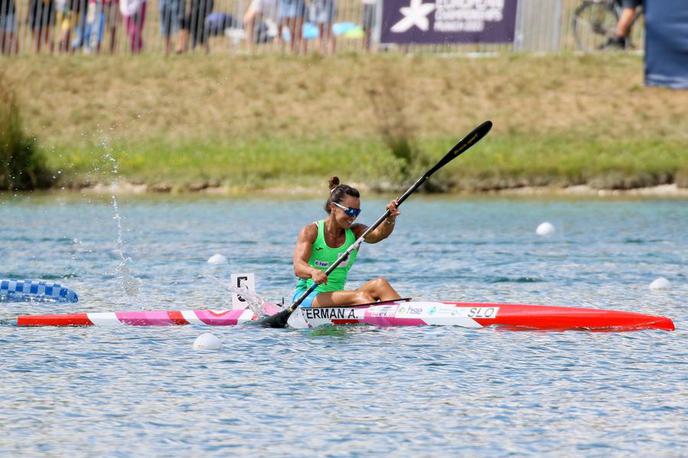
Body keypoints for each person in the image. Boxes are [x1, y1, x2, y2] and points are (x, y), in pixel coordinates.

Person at [292, 177, 402, 308]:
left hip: (337, 296)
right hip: (307, 297)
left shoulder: (356, 232)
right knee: (362, 298)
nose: (353, 216)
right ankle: (375, 322)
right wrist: (313, 272)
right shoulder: (311, 231)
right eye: (349, 211)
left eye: (357, 212)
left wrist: (390, 218)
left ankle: (406, 317)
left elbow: (380, 234)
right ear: (333, 207)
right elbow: (298, 267)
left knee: (381, 284)